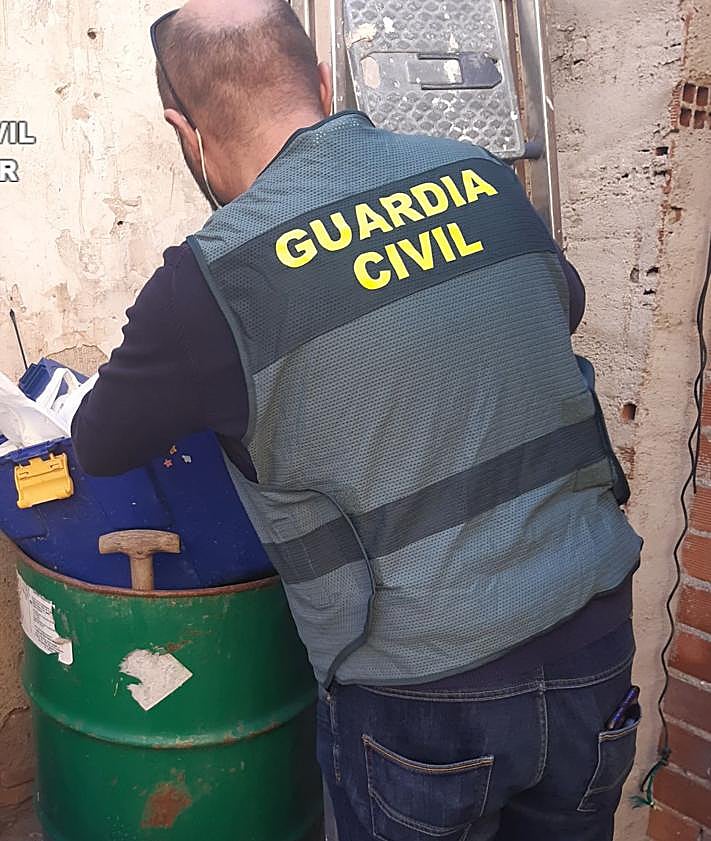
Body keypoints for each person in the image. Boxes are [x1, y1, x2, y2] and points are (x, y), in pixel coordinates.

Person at [71, 2, 643, 839]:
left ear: (182, 128)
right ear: (325, 82)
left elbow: (101, 440)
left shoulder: (212, 279)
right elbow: (559, 305)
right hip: (593, 636)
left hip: (423, 694)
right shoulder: (478, 173)